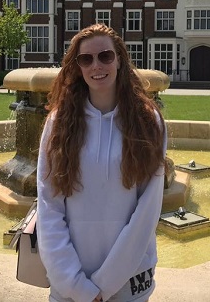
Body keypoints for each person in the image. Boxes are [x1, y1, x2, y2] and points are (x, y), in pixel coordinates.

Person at [37, 23, 167, 302]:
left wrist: (106, 284)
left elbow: (147, 209)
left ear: (119, 59)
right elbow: (49, 205)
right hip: (71, 282)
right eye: (86, 59)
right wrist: (74, 284)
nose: (97, 65)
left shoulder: (148, 121)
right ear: (78, 67)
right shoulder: (58, 123)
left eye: (105, 56)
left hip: (129, 281)